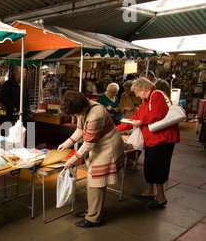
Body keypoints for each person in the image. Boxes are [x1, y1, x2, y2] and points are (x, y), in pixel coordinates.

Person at [57, 91, 125, 227]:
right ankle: (92, 210)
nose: (73, 116)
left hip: (108, 147)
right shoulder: (85, 108)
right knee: (92, 180)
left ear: (79, 108)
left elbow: (89, 143)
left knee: (96, 182)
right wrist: (66, 144)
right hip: (101, 145)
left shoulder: (96, 115)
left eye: (74, 114)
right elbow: (80, 130)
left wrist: (72, 160)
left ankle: (93, 218)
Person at [117, 77, 180, 208]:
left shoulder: (156, 95)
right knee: (150, 166)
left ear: (143, 89)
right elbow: (136, 118)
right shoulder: (147, 100)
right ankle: (149, 191)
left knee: (158, 167)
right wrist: (116, 129)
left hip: (163, 139)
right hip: (153, 140)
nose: (136, 95)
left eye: (136, 92)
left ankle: (161, 197)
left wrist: (140, 121)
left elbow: (158, 115)